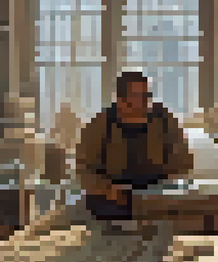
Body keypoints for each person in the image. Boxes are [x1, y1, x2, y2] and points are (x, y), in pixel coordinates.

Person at [76, 71, 194, 222]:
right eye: (139, 96)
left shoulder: (165, 121)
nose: (146, 101)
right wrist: (107, 189)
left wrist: (166, 183)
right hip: (112, 199)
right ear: (120, 100)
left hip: (158, 196)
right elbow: (83, 170)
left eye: (148, 95)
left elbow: (184, 161)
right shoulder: (100, 125)